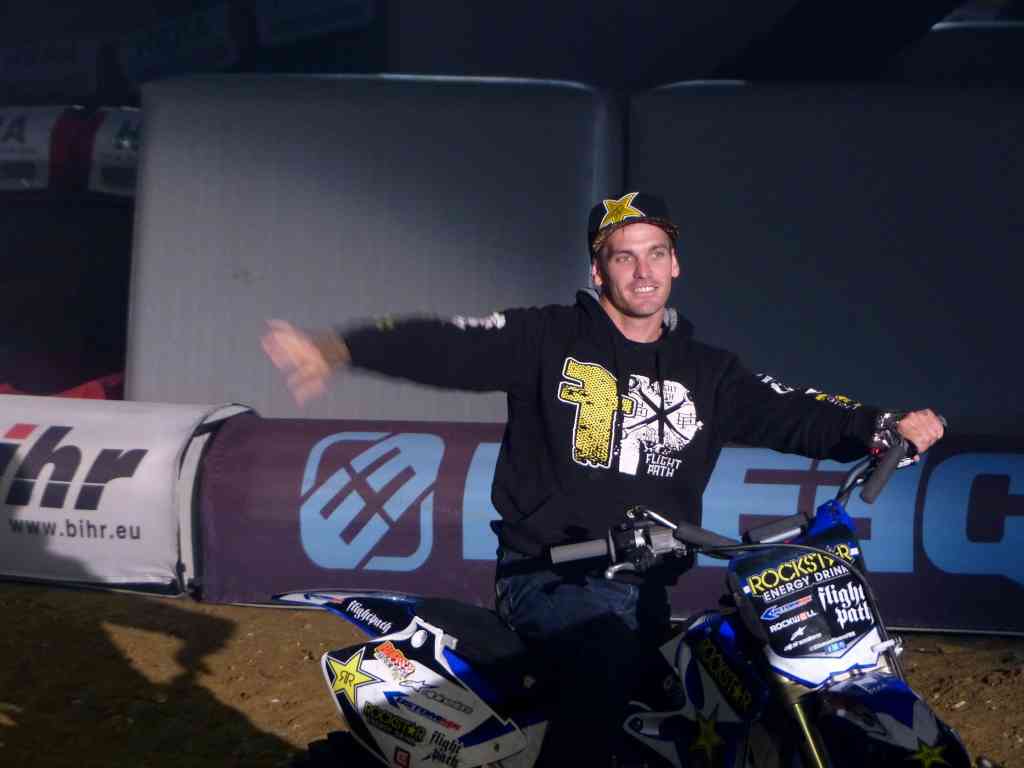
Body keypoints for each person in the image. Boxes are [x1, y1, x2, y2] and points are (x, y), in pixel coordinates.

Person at [261, 191, 944, 765]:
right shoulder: (548, 338)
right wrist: (340, 347)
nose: (643, 272)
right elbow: (451, 343)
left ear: (675, 264)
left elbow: (792, 412)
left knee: (731, 680)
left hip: (648, 589)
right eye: (624, 257)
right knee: (601, 680)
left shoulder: (710, 371)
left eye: (656, 254)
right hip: (552, 577)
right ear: (598, 270)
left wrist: (880, 427)